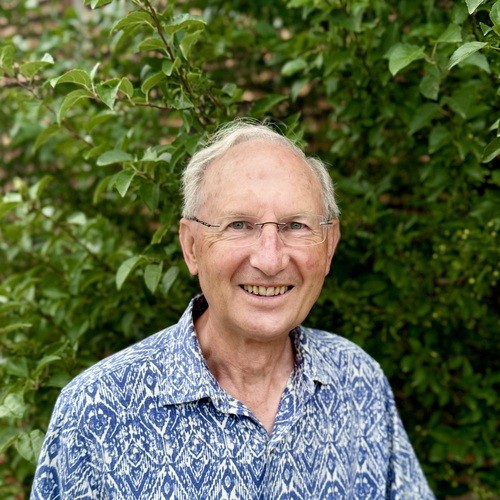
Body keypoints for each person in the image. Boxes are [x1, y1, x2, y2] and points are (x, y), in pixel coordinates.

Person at [31, 120, 434, 499]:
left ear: (329, 247)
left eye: (296, 226)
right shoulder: (97, 409)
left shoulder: (358, 382)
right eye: (239, 225)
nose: (270, 260)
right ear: (191, 246)